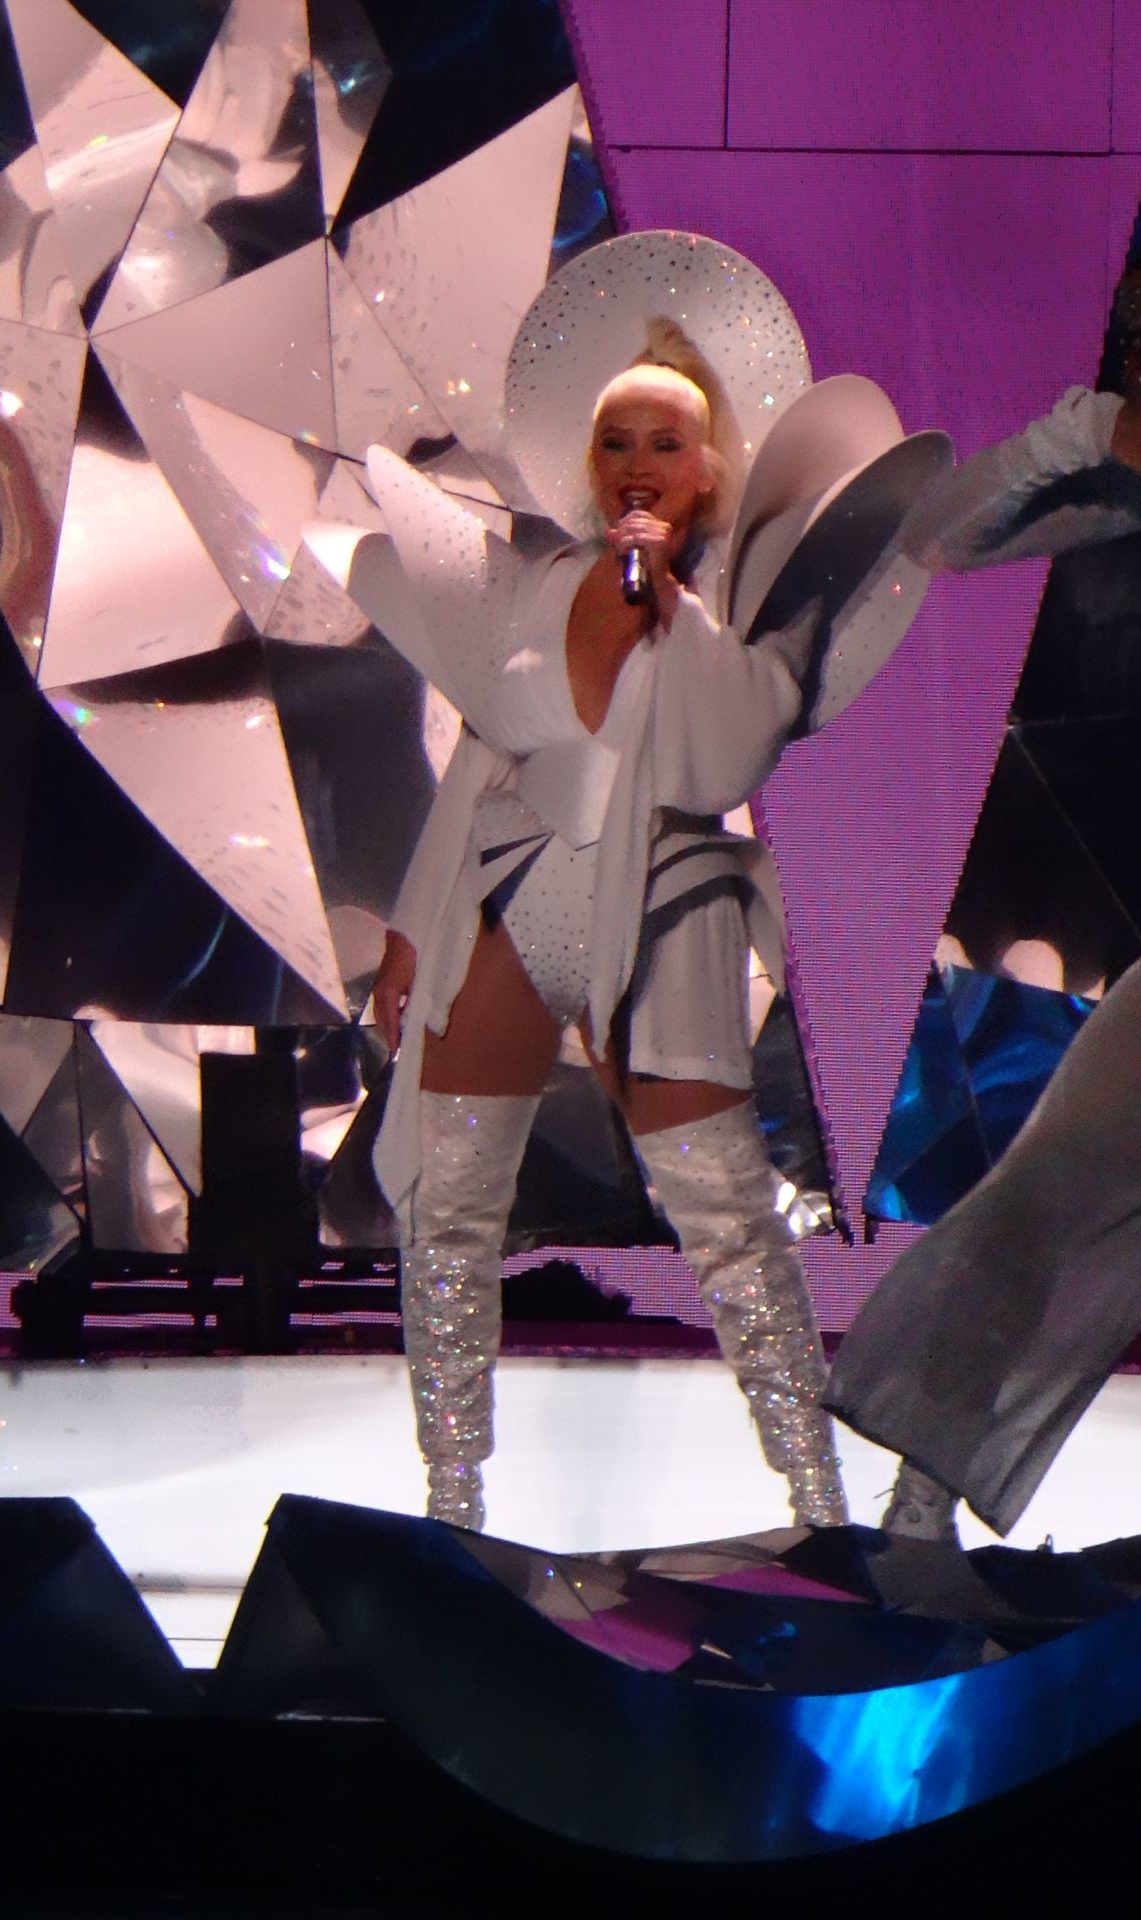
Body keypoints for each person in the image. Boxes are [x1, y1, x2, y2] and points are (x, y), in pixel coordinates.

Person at [304, 228, 894, 1533]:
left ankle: (818, 1502)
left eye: (664, 442)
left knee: (723, 1211)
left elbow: (733, 751)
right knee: (453, 1206)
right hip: (516, 884)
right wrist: (411, 931)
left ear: (709, 466)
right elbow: (486, 751)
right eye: (617, 441)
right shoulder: (542, 583)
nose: (637, 462)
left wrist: (671, 604)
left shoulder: (737, 606)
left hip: (664, 899)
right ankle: (452, 1503)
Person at [824, 231, 1141, 1543]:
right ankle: (918, 1512)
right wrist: (1087, 429)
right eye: (1137, 343)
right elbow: (939, 533)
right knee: (1054, 1184)